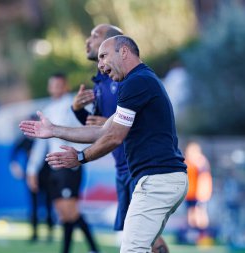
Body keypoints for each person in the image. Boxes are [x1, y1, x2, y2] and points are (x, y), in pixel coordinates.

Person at [19, 36, 188, 253]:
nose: (99, 65)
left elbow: (115, 137)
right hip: (163, 179)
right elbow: (101, 131)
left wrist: (81, 157)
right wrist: (54, 130)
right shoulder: (139, 81)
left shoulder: (136, 82)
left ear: (124, 51)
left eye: (103, 56)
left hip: (157, 180)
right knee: (150, 247)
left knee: (131, 248)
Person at [72, 24, 169, 252]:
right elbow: (96, 129)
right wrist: (77, 110)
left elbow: (120, 126)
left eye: (95, 36)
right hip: (121, 166)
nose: (88, 40)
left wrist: (80, 156)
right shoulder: (100, 83)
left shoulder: (127, 79)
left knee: (141, 235)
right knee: (140, 234)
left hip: (138, 165)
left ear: (117, 46)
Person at [26, 73, 99, 253]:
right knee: (63, 213)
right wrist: (32, 169)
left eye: (59, 85)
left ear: (65, 86)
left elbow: (86, 131)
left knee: (71, 210)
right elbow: (41, 142)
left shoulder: (74, 105)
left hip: (69, 164)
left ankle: (94, 249)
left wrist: (78, 156)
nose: (56, 88)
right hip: (54, 167)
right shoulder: (49, 109)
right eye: (53, 85)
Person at [9, 127, 54, 243]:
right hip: (32, 176)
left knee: (49, 205)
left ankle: (50, 233)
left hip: (47, 176)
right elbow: (13, 154)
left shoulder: (45, 139)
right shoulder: (26, 140)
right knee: (33, 206)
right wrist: (15, 167)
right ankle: (34, 234)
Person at [184, 141, 212, 242]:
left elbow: (203, 178)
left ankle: (203, 236)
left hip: (200, 194)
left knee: (200, 214)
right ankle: (193, 235)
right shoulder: (187, 162)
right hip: (190, 194)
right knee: (191, 214)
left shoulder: (201, 161)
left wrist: (202, 193)